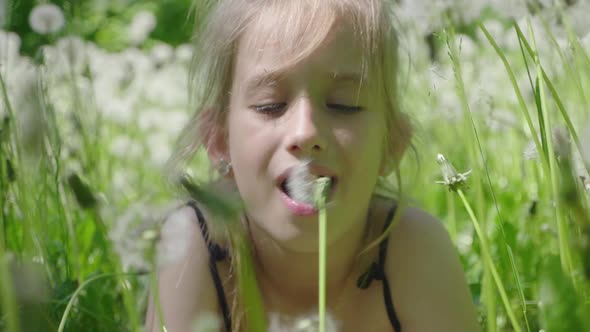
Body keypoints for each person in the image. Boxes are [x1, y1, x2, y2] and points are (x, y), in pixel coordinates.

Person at [146, 0, 480, 331]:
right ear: (218, 139)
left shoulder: (414, 251)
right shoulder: (195, 248)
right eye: (270, 105)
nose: (305, 133)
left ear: (392, 143)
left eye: (343, 105)